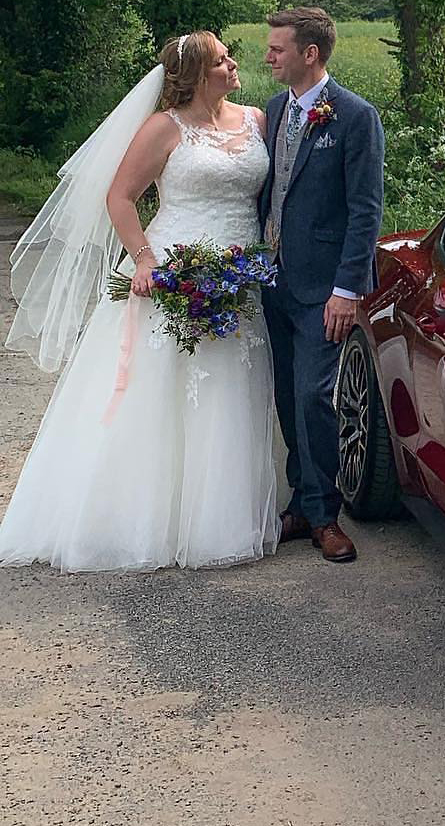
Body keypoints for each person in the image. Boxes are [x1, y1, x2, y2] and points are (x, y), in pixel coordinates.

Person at [0, 32, 280, 572]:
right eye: (223, 60)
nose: (234, 64)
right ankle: (145, 516)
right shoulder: (163, 128)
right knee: (163, 394)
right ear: (199, 75)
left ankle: (225, 510)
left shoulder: (256, 120)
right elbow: (119, 196)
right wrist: (146, 260)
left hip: (240, 276)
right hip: (175, 272)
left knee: (231, 388)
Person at [259, 7, 385, 563]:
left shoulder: (355, 117)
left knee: (315, 396)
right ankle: (300, 505)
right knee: (287, 395)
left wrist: (347, 289)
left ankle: (326, 515)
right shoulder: (274, 109)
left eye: (277, 48)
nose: (268, 56)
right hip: (273, 281)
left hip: (325, 289)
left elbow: (365, 210)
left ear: (310, 54)